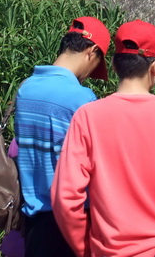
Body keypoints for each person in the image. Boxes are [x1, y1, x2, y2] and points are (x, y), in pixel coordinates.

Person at [51, 20, 155, 257]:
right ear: (154, 66)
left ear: (113, 65)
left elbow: (66, 196)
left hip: (112, 249)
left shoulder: (88, 116)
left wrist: (85, 248)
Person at [14, 16, 110, 257]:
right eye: (96, 65)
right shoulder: (82, 99)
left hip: (34, 222)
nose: (89, 74)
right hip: (74, 221)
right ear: (92, 51)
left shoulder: (25, 88)